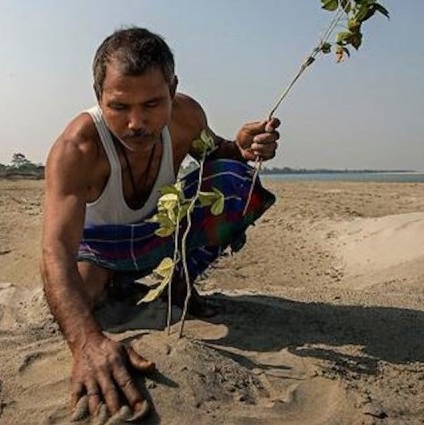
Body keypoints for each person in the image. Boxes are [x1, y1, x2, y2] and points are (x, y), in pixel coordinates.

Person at [41, 27, 280, 421]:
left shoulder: (187, 116)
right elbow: (55, 250)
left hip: (161, 234)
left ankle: (179, 283)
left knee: (235, 177)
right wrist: (86, 343)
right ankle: (115, 283)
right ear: (98, 94)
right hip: (99, 248)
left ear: (173, 88)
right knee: (82, 298)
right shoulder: (77, 147)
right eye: (119, 107)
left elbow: (216, 152)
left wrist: (240, 147)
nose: (137, 122)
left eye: (152, 104)